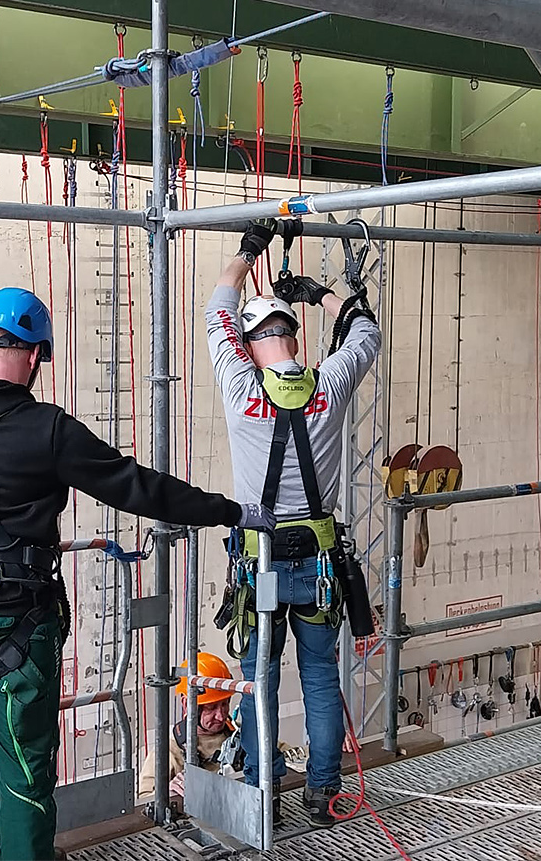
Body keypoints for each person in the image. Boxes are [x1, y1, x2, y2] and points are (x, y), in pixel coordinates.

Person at [0, 287, 272, 861]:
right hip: (9, 624)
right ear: (33, 356)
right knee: (27, 768)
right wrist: (230, 511)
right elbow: (136, 487)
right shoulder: (45, 427)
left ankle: (9, 853)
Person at [206, 220, 381, 827]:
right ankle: (325, 794)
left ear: (250, 345)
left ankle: (261, 796)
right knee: (319, 678)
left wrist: (246, 253)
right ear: (294, 339)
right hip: (319, 564)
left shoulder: (238, 384)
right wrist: (320, 294)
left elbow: (218, 306)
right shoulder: (330, 382)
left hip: (259, 562)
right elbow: (365, 333)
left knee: (259, 678)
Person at [138, 651, 239, 800]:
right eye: (211, 708)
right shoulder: (169, 752)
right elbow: (144, 800)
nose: (221, 715)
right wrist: (168, 793)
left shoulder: (238, 735)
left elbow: (283, 754)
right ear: (187, 704)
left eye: (225, 704)